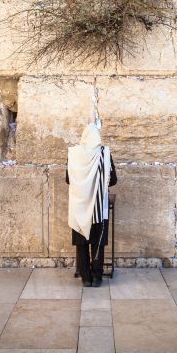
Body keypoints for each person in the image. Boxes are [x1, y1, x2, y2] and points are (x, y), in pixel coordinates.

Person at [66, 123, 117, 287]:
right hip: (98, 206)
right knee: (97, 243)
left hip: (79, 206)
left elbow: (68, 179)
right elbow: (114, 179)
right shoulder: (104, 153)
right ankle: (97, 277)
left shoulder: (73, 155)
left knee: (82, 243)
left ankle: (85, 278)